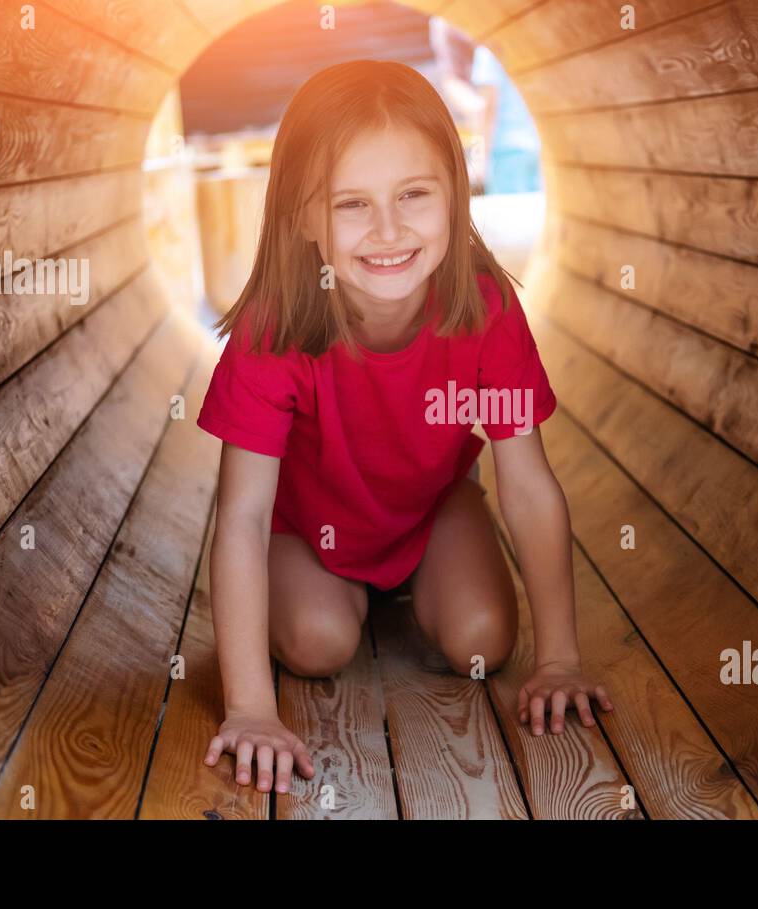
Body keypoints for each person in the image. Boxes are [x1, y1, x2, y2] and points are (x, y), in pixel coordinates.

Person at [195, 60, 614, 794]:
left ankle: (428, 568)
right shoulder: (275, 332)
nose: (388, 230)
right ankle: (348, 597)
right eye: (351, 204)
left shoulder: (486, 312)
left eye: (414, 195)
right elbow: (242, 517)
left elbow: (528, 483)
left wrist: (560, 659)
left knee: (484, 640)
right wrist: (251, 706)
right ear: (301, 216)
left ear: (457, 192)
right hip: (308, 529)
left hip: (429, 509)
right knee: (320, 642)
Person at [469, 43, 542, 194]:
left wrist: (479, 157)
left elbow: (487, 108)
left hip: (506, 151)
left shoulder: (487, 52)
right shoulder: (525, 49)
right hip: (534, 146)